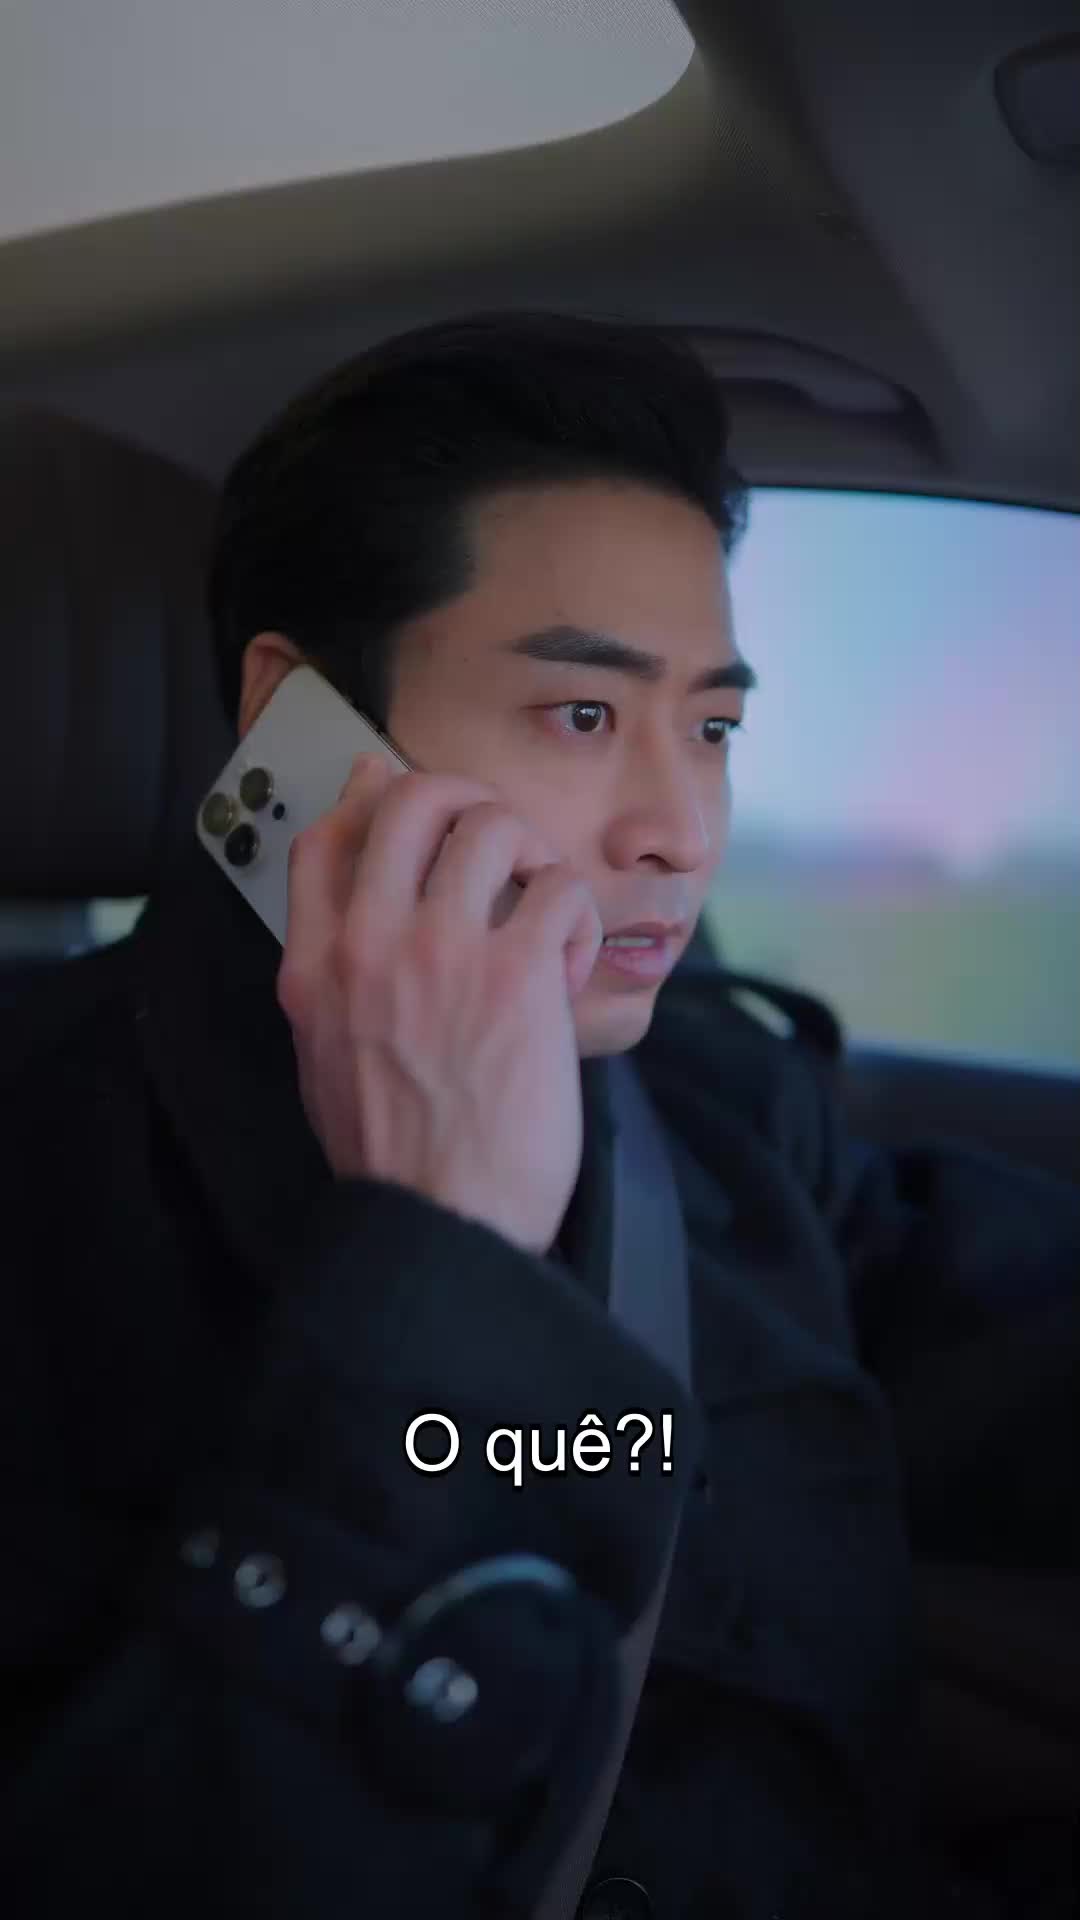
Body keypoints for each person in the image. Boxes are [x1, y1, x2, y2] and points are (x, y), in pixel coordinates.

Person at [2, 313, 1078, 1920]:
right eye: (583, 715)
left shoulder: (718, 1106)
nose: (680, 831)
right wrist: (445, 1252)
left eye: (710, 728)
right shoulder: (42, 1178)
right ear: (298, 724)